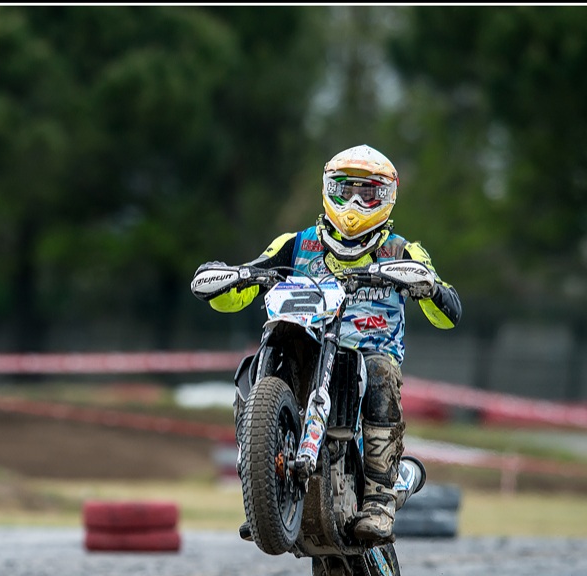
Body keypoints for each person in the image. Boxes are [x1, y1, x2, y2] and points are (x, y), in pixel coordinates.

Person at [190, 144, 462, 546]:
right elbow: (243, 288)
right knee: (255, 364)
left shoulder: (401, 249)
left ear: (386, 197)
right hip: (308, 347)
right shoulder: (296, 244)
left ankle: (380, 499)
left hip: (367, 356)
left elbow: (447, 312)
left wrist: (429, 288)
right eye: (345, 190)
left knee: (381, 371)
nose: (354, 203)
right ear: (328, 190)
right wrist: (230, 279)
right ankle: (261, 488)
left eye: (367, 193)